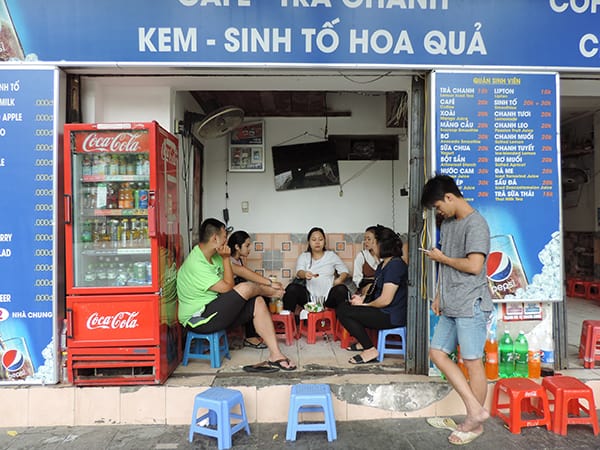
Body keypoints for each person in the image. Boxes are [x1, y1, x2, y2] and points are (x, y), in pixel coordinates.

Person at [420, 174, 492, 446]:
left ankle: (474, 422)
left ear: (450, 197)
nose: (439, 212)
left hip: (471, 303)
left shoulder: (477, 225)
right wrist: (438, 295)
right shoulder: (449, 225)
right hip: (450, 302)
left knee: (472, 362)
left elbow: (474, 266)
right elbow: (445, 267)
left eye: (439, 206)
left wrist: (442, 257)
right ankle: (475, 410)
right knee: (437, 353)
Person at [177, 218, 296, 372]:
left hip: (214, 311)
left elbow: (239, 270)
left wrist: (268, 282)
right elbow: (228, 288)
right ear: (215, 239)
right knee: (245, 288)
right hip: (199, 319)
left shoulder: (213, 255)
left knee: (258, 302)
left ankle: (276, 354)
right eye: (225, 237)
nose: (226, 241)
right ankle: (269, 293)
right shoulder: (197, 264)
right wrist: (268, 289)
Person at [337, 225, 408, 365]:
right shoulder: (384, 265)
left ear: (383, 245)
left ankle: (369, 349)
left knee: (344, 311)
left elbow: (385, 300)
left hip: (391, 316)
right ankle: (364, 344)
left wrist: (364, 305)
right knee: (345, 306)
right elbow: (375, 291)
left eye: (374, 243)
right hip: (382, 311)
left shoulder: (395, 265)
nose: (372, 247)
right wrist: (361, 299)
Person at [227, 230, 285, 349]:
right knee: (255, 299)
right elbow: (244, 275)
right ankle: (250, 337)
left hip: (240, 292)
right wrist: (269, 285)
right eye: (247, 246)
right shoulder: (229, 261)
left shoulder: (240, 260)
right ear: (237, 247)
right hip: (232, 295)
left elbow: (248, 276)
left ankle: (260, 331)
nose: (249, 249)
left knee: (261, 297)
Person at [282, 227, 350, 315]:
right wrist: (305, 274)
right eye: (314, 240)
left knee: (342, 289)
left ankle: (342, 321)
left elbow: (344, 271)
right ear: (309, 242)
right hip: (309, 299)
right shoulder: (304, 256)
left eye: (320, 239)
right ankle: (287, 319)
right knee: (292, 288)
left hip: (328, 298)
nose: (317, 242)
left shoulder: (331, 255)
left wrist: (339, 280)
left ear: (324, 241)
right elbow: (299, 272)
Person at [352, 226, 380, 293]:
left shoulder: (383, 257)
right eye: (365, 239)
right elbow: (357, 279)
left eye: (369, 239)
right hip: (365, 291)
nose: (366, 242)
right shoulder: (361, 256)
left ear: (377, 240)